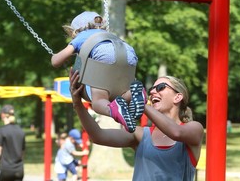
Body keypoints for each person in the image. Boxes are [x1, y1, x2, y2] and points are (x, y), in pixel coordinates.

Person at [69, 70, 204, 181]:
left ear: (177, 97)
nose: (152, 92)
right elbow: (98, 136)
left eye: (161, 87)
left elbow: (176, 133)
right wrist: (77, 104)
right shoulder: (140, 134)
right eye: (151, 89)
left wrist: (142, 104)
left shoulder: (194, 128)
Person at [51, 11, 147, 133]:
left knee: (98, 102)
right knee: (122, 95)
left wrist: (58, 56)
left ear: (75, 31)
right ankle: (135, 94)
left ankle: (113, 110)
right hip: (127, 52)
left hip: (103, 54)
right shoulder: (108, 34)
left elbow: (56, 61)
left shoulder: (82, 36)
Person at [0, 104, 26, 181]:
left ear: (2, 115)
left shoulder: (1, 131)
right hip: (19, 170)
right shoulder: (21, 131)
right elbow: (23, 152)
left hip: (5, 170)